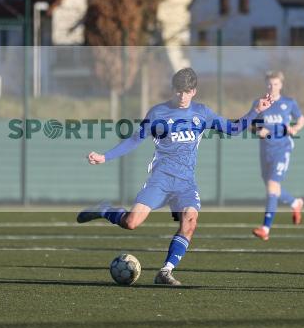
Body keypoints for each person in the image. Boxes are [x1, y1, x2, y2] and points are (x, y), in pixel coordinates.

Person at [77, 67, 272, 286]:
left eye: (187, 91)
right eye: (179, 91)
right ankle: (105, 209)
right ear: (173, 90)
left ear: (194, 91)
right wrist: (105, 156)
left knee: (190, 221)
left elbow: (233, 129)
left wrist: (256, 110)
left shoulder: (202, 113)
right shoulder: (158, 113)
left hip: (185, 183)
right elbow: (134, 140)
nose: (182, 96)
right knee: (131, 223)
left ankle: (165, 272)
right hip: (160, 179)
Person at [252, 71, 304, 241]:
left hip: (282, 149)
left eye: (275, 84)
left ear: (281, 85)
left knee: (273, 185)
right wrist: (258, 130)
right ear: (265, 84)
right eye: (269, 84)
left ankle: (265, 228)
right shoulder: (260, 103)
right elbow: (250, 124)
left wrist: (295, 129)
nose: (272, 87)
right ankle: (295, 203)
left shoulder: (289, 103)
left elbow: (301, 119)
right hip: (265, 150)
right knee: (272, 187)